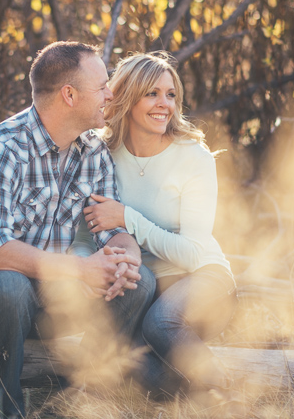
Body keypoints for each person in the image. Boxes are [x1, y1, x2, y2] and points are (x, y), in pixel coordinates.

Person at [0, 41, 156, 418]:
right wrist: (81, 270)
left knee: (140, 280)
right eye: (101, 87)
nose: (110, 94)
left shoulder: (92, 151)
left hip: (46, 291)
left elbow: (110, 228)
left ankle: (71, 402)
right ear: (69, 94)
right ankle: (2, 408)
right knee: (9, 285)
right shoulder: (0, 149)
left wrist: (124, 258)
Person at [79, 52, 236, 398]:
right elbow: (84, 230)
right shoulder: (101, 154)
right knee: (138, 368)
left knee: (162, 323)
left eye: (171, 94)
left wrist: (129, 219)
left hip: (204, 279)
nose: (164, 103)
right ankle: (195, 401)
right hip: (144, 290)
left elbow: (194, 254)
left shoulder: (192, 156)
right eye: (152, 93)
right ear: (126, 97)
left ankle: (229, 399)